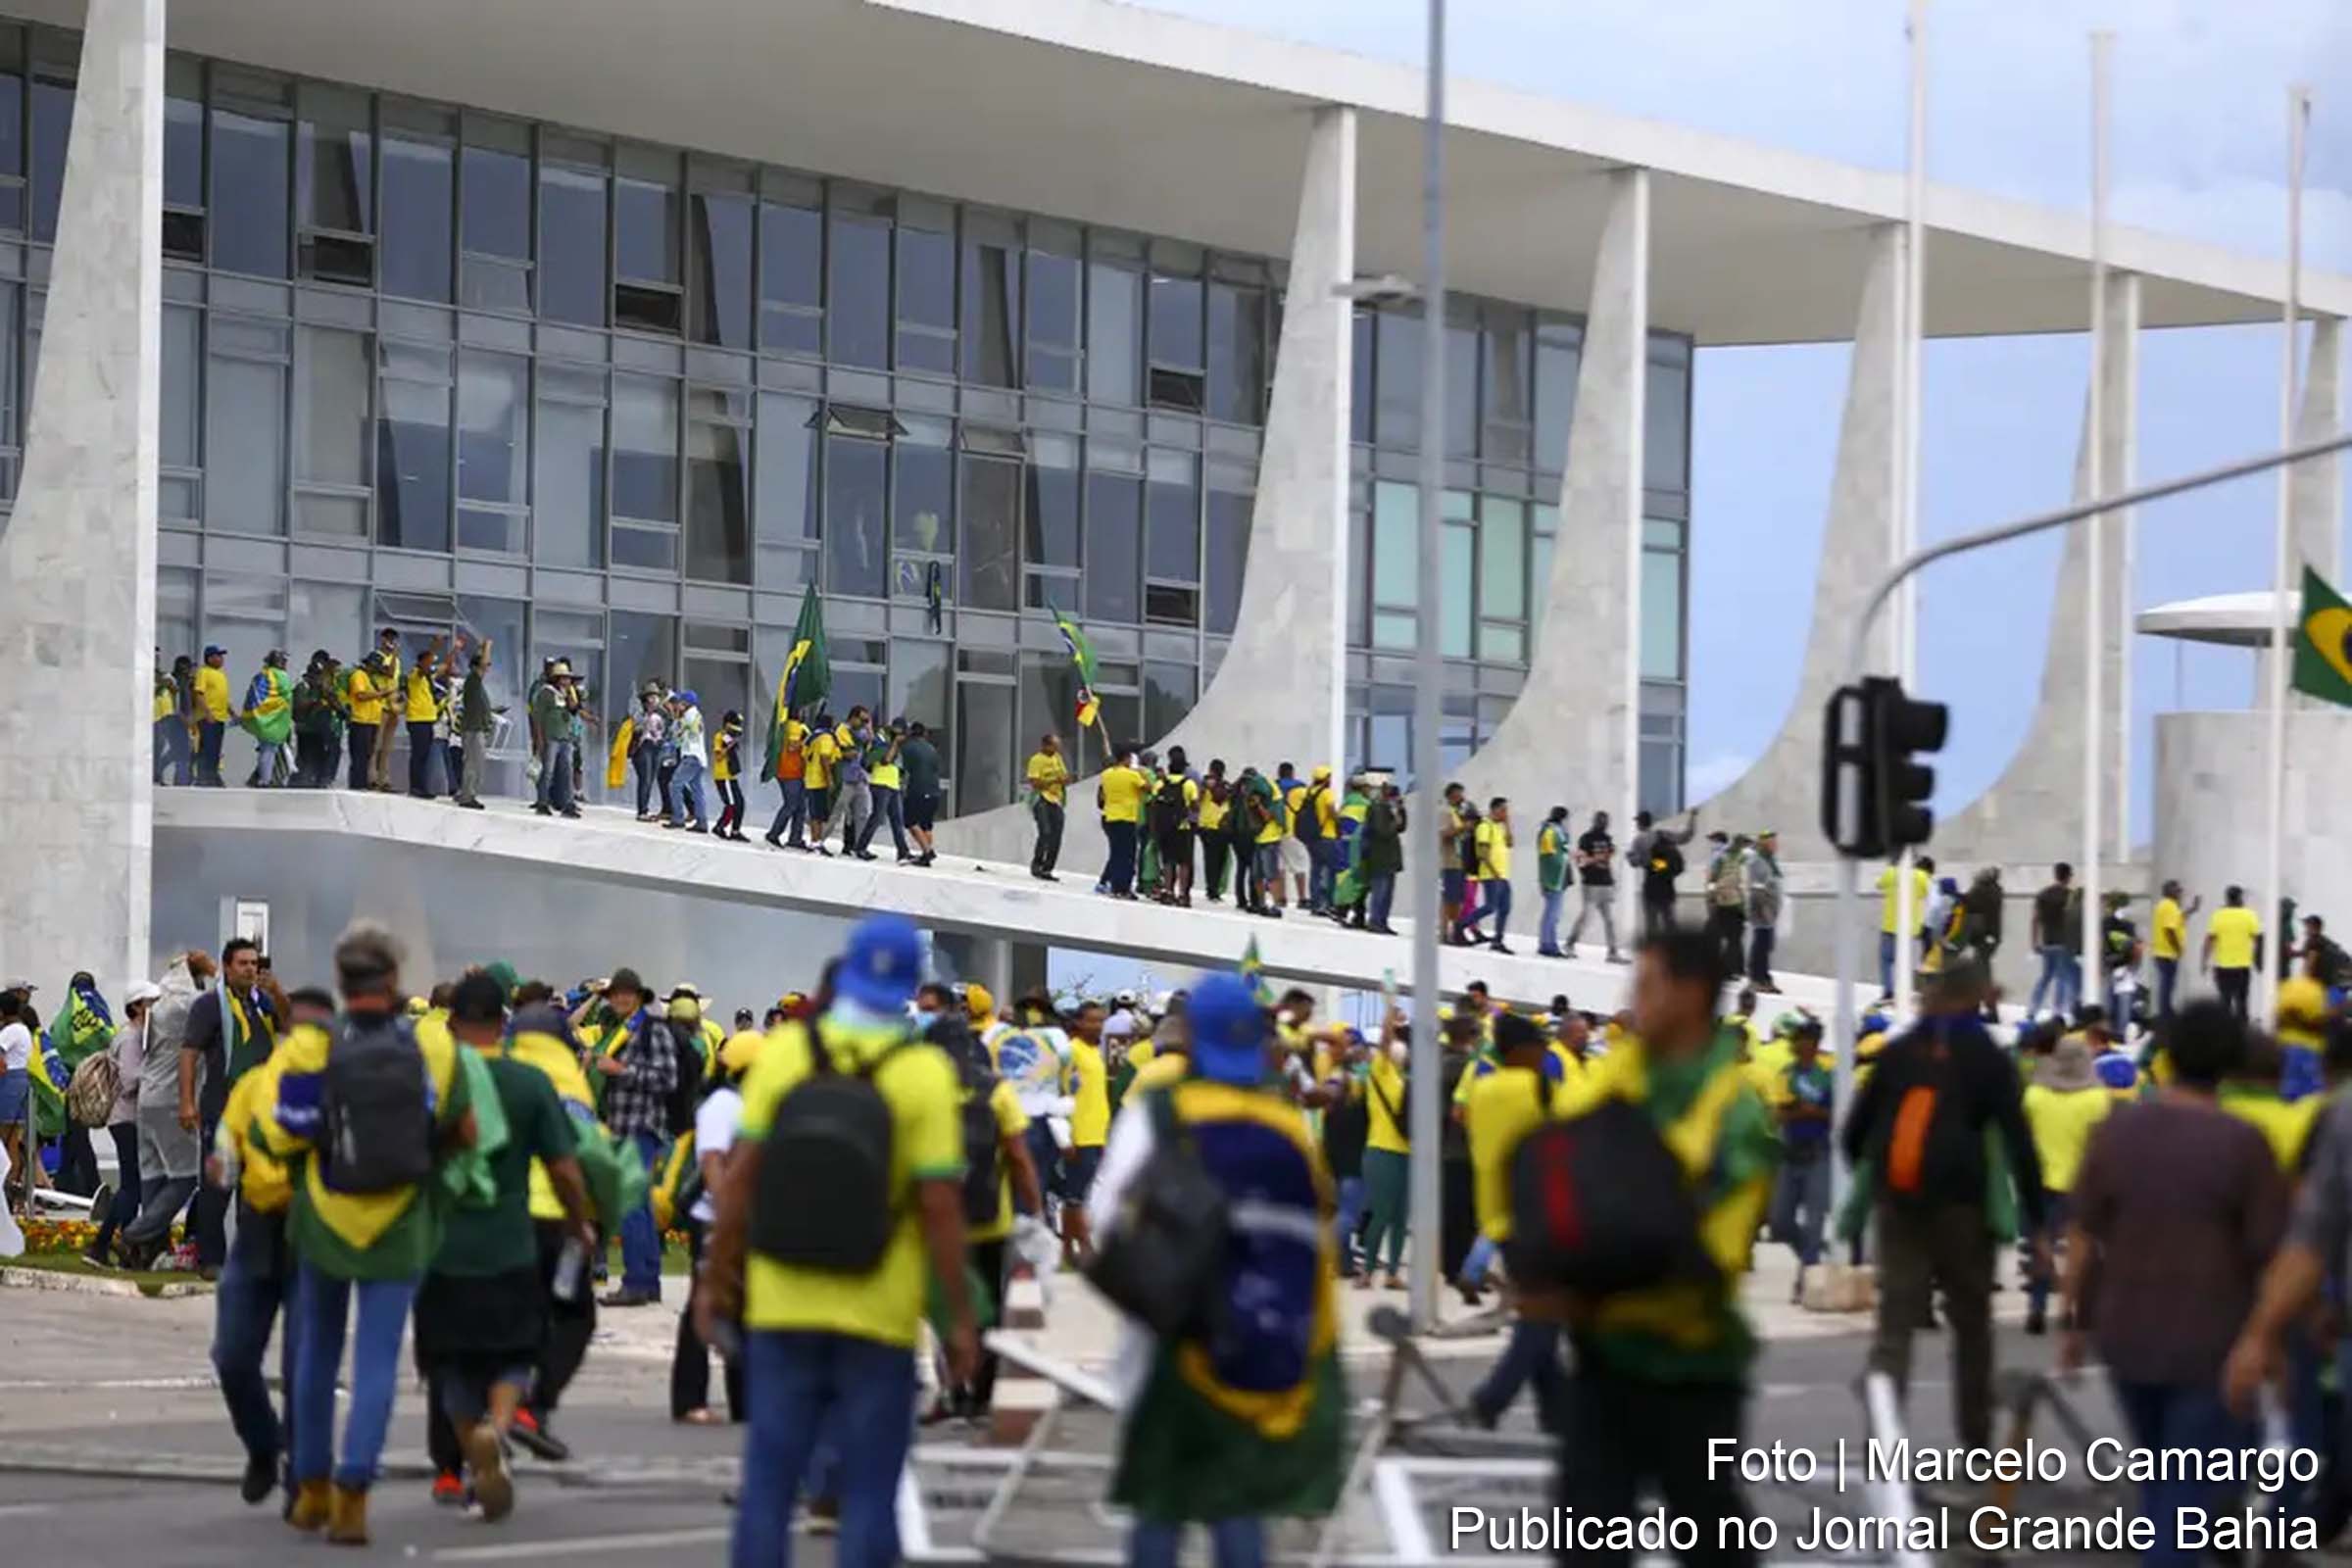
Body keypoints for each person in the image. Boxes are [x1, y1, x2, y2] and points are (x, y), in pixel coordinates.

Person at [699, 914, 978, 1568]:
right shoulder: (924, 1075)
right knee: (870, 1493)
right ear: (914, 985)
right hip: (878, 1311)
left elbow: (739, 1183)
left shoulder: (787, 1055)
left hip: (781, 1299)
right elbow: (940, 1205)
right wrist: (958, 1316)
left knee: (768, 1484)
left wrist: (714, 1279)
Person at [1089, 972, 1343, 1568]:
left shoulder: (1160, 1113)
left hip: (1169, 1337)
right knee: (1238, 1507)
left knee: (1161, 1500)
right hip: (1258, 1340)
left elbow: (1109, 1215)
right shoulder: (1285, 1126)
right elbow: (1317, 1242)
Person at [1552, 926, 1780, 1568]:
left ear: (1691, 993)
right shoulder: (1617, 1078)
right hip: (1602, 1359)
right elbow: (1559, 1161)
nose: (1633, 999)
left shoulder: (1734, 1110)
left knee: (1711, 1537)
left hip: (1692, 1366)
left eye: (1646, 984)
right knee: (1587, 1541)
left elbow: (1717, 1250)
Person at [2053, 1003, 2284, 1566]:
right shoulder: (2242, 1144)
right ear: (2230, 1064)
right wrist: (2267, 1338)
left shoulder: (2116, 1131)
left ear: (2169, 1056)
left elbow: (2083, 1234)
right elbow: (2270, 1254)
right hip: (2208, 1343)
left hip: (2125, 1334)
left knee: (2164, 1478)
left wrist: (2072, 1322)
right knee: (2186, 1494)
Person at [270, 923, 474, 1545]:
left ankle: (310, 1489)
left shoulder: (312, 1047)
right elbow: (462, 1130)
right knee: (379, 1357)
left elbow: (284, 1132)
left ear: (340, 980)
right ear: (393, 981)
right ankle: (355, 1494)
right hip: (400, 1217)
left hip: (326, 1217)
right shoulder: (431, 1047)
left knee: (316, 1354)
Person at [1842, 959, 2044, 1453]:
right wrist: (2036, 1221)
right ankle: (1975, 1443)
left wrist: (1879, 1188)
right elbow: (2019, 1141)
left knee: (1895, 1325)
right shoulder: (1987, 1056)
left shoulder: (1898, 1052)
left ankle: (1883, 1442)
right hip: (1963, 1209)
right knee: (1972, 1324)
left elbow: (1854, 1132)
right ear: (1976, 995)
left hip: (1900, 1206)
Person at [418, 974, 597, 1523]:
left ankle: (470, 1435)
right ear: (503, 1025)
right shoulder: (529, 1083)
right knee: (514, 1355)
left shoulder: (435, 1087)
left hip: (443, 1249)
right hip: (511, 1245)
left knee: (450, 1365)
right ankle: (496, 1432)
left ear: (450, 1025)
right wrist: (580, 1222)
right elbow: (565, 1169)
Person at [208, 983, 329, 1509]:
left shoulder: (342, 1086)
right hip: (259, 1228)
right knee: (232, 1355)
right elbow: (226, 1142)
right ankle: (264, 1445)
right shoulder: (256, 1083)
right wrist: (223, 1163)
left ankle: (303, 1471)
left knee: (304, 1362)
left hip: (317, 1232)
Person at [1459, 1011, 1570, 1428]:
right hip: (1540, 1218)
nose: (1545, 1053)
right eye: (1540, 1045)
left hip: (1497, 1217)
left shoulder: (1482, 1090)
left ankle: (1558, 1413)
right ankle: (1490, 1401)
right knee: (1541, 1318)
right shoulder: (1541, 1089)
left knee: (1540, 1312)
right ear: (1522, 1050)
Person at [181, 937, 280, 1276]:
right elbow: (189, 1052)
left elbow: (295, 1026)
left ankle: (249, 1258)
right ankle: (211, 1259)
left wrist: (277, 993)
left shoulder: (265, 1003)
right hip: (222, 1107)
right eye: (243, 963)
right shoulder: (210, 1005)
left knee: (254, 1187)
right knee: (217, 1185)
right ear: (226, 967)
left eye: (255, 964)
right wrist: (186, 1102)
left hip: (261, 1112)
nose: (251, 969)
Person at [586, 968, 679, 1308]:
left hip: (640, 1127)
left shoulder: (652, 1030)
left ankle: (636, 1282)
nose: (620, 998)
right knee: (638, 1205)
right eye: (615, 994)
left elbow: (668, 1078)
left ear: (638, 996)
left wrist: (621, 1070)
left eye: (626, 993)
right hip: (625, 1127)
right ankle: (647, 1280)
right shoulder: (622, 1030)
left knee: (630, 1205)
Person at [116, 953, 209, 1266]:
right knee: (187, 1175)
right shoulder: (186, 1004)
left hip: (147, 1101)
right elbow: (222, 1002)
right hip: (173, 1099)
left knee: (153, 1177)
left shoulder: (157, 1004)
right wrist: (212, 968)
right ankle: (135, 1235)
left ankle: (145, 1254)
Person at [2018, 1035, 2111, 1335]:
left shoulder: (2035, 1095)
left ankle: (2037, 1305)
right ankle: (2070, 1308)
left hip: (2040, 1181)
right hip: (2082, 1183)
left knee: (2040, 1245)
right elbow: (2102, 1143)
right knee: (2079, 1250)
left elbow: (2025, 1136)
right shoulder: (2097, 1098)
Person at [1768, 1017, 1834, 1303]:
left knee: (1814, 1218)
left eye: (1801, 1041)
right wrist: (1804, 1111)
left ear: (1813, 1045)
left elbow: (1838, 1114)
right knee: (1779, 1221)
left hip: (1819, 1153)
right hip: (1790, 1152)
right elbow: (1779, 1114)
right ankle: (1813, 1251)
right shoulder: (1786, 1074)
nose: (1796, 1047)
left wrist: (1813, 1112)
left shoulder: (1829, 1074)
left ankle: (1807, 1275)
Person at [1357, 1008, 1411, 1291]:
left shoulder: (1405, 1080)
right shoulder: (1380, 1072)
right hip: (1381, 1150)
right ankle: (1367, 1271)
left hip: (1404, 1153)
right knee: (1382, 1212)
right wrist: (1388, 1020)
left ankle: (1391, 1273)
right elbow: (1385, 1043)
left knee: (1400, 1216)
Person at [1627, 809, 1697, 938]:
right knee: (1670, 923)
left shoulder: (1638, 840)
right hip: (1667, 886)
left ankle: (1655, 954)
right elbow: (1686, 836)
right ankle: (1674, 954)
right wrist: (1692, 817)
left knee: (1652, 925)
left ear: (1640, 824)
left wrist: (1631, 857)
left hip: (1651, 887)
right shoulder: (1664, 834)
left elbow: (1635, 863)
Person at [1565, 808, 1622, 962]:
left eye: (1605, 821)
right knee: (1586, 917)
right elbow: (1581, 861)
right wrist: (1596, 860)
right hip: (1591, 883)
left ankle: (1612, 952)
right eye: (1601, 820)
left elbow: (1609, 857)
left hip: (1605, 882)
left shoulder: (1607, 839)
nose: (1604, 824)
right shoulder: (1587, 838)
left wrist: (1611, 877)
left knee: (1610, 920)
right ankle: (1570, 943)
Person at [2029, 862, 2083, 1017]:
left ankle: (2032, 1009)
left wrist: (2034, 942)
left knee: (2046, 976)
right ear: (2068, 876)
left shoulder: (2042, 894)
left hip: (2047, 942)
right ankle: (2058, 1012)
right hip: (2065, 942)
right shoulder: (2071, 896)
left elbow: (2035, 919)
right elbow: (2075, 920)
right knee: (2063, 977)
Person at [530, 662, 583, 818]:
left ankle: (567, 803)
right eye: (565, 678)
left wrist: (570, 697)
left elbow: (573, 711)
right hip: (551, 737)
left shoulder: (564, 694)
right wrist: (539, 738)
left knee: (566, 772)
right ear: (557, 678)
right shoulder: (546, 693)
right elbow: (537, 717)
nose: (568, 682)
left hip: (565, 737)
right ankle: (543, 802)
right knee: (548, 771)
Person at [1875, 857, 1932, 1001]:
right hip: (1910, 927)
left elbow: (1879, 884)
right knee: (1906, 960)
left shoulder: (1891, 872)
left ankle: (1889, 990)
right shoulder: (1921, 875)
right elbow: (1929, 893)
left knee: (1886, 960)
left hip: (1890, 925)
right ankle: (1907, 990)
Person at [2204, 884, 2263, 1020]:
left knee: (2224, 1002)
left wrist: (2204, 961)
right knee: (2242, 1002)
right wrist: (2258, 961)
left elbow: (2209, 940)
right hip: (2242, 966)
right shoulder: (2249, 915)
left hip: (2222, 966)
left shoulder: (2218, 915)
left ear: (2227, 898)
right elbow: (2258, 940)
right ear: (2240, 898)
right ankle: (2242, 1034)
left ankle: (2225, 1034)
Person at [858, 718, 911, 861]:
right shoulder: (882, 741)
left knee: (897, 820)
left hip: (893, 784)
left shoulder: (897, 744)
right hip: (880, 783)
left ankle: (903, 851)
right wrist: (895, 743)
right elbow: (885, 760)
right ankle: (861, 847)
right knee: (877, 817)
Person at [1098, 745, 1147, 900]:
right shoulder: (1132, 775)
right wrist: (1142, 774)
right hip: (1126, 817)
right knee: (1128, 855)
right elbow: (1148, 788)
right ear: (1125, 759)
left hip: (1109, 817)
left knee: (1116, 853)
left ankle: (1114, 886)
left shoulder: (1105, 774)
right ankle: (1124, 887)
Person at [453, 641, 496, 809]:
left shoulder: (475, 683)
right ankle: (467, 796)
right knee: (474, 763)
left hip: (476, 727)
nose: (487, 669)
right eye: (484, 666)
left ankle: (466, 792)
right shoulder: (473, 680)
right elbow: (483, 663)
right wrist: (487, 647)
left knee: (473, 762)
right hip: (473, 728)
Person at [1472, 798, 1516, 954]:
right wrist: (1494, 872)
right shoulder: (1485, 826)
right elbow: (1483, 854)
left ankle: (1498, 940)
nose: (1505, 813)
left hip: (1503, 874)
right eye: (1503, 810)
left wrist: (1507, 825)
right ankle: (1461, 924)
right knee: (1490, 906)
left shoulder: (1499, 827)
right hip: (1491, 874)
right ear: (1494, 809)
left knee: (1505, 908)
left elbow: (1510, 843)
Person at [1742, 830, 1785, 993]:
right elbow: (1757, 889)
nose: (1776, 845)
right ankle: (1757, 978)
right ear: (1765, 843)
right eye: (1773, 842)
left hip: (1769, 910)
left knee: (1766, 945)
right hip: (1762, 910)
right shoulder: (1758, 861)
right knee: (1761, 945)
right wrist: (1765, 911)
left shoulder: (1768, 860)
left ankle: (1764, 977)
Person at [763, 706, 810, 850]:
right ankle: (774, 834)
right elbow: (792, 746)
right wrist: (805, 741)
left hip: (789, 771)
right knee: (791, 805)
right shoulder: (795, 727)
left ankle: (795, 838)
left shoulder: (782, 726)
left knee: (801, 807)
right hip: (791, 771)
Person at [1361, 782, 1404, 934]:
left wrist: (1400, 811)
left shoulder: (1390, 809)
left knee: (1388, 893)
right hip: (1379, 855)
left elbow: (1402, 827)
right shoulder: (1378, 808)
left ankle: (1383, 921)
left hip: (1390, 856)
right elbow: (1382, 831)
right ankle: (1375, 921)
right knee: (1380, 890)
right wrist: (1394, 821)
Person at [1025, 732, 1068, 882]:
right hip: (1042, 799)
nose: (1056, 749)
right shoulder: (1036, 760)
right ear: (1045, 745)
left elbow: (1065, 777)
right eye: (1054, 746)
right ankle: (1037, 864)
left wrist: (1063, 780)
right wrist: (1054, 780)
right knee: (1045, 832)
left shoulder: (1057, 758)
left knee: (1057, 835)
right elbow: (1035, 782)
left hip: (1056, 799)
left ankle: (1048, 868)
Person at [344, 651, 389, 793]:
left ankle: (362, 782)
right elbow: (361, 695)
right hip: (360, 720)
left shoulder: (371, 678)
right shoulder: (359, 675)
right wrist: (380, 694)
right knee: (359, 754)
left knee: (367, 754)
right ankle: (357, 784)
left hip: (372, 721)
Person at [1702, 831, 1746, 975]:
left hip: (1724, 901)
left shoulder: (1720, 857)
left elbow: (1713, 879)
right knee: (1734, 937)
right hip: (1733, 902)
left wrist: (1711, 896)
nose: (1711, 844)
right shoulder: (1737, 858)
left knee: (1715, 934)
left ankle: (1722, 968)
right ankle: (1737, 968)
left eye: (1713, 840)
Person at [900, 720, 942, 867]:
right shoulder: (932, 748)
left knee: (910, 821)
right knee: (926, 825)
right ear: (924, 734)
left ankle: (928, 852)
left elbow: (903, 769)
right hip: (935, 791)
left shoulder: (908, 747)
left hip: (918, 789)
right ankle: (926, 854)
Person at [192, 643, 232, 787]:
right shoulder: (204, 672)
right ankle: (204, 777)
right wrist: (207, 712)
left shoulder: (221, 675)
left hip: (220, 718)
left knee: (215, 750)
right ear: (209, 659)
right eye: (218, 656)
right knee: (207, 749)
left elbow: (223, 698)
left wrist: (232, 713)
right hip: (208, 717)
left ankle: (212, 776)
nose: (221, 659)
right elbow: (199, 694)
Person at [1535, 807, 1572, 957]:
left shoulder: (1556, 831)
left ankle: (1549, 943)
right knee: (1552, 913)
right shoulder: (1551, 832)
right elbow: (1547, 855)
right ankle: (1548, 944)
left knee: (1553, 913)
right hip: (1553, 878)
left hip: (1558, 877)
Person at [631, 683, 669, 821]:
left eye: (656, 696)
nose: (654, 699)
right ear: (646, 699)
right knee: (645, 778)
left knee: (651, 778)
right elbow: (635, 729)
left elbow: (667, 728)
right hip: (644, 745)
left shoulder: (662, 713)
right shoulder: (640, 713)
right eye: (651, 696)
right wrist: (646, 722)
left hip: (657, 745)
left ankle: (645, 808)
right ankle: (642, 810)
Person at [710, 710, 749, 840]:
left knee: (740, 803)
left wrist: (733, 741)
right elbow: (718, 756)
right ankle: (720, 827)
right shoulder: (719, 736)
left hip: (731, 775)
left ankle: (735, 831)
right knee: (731, 805)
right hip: (723, 775)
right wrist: (729, 747)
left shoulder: (728, 737)